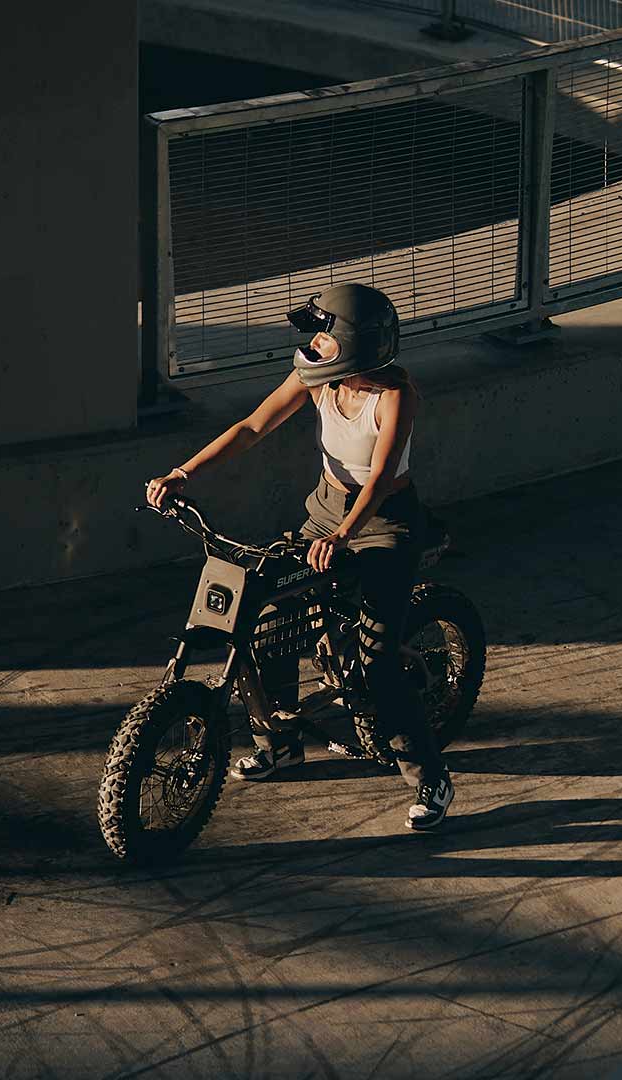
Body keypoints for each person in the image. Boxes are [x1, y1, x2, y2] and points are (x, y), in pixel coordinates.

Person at [143, 283, 455, 831]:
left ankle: (430, 775)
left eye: (324, 335)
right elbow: (252, 427)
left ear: (357, 344)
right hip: (325, 512)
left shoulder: (395, 397)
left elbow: (380, 478)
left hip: (384, 523)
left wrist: (342, 536)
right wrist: (182, 473)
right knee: (268, 618)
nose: (313, 344)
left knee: (377, 659)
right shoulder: (319, 380)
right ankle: (280, 743)